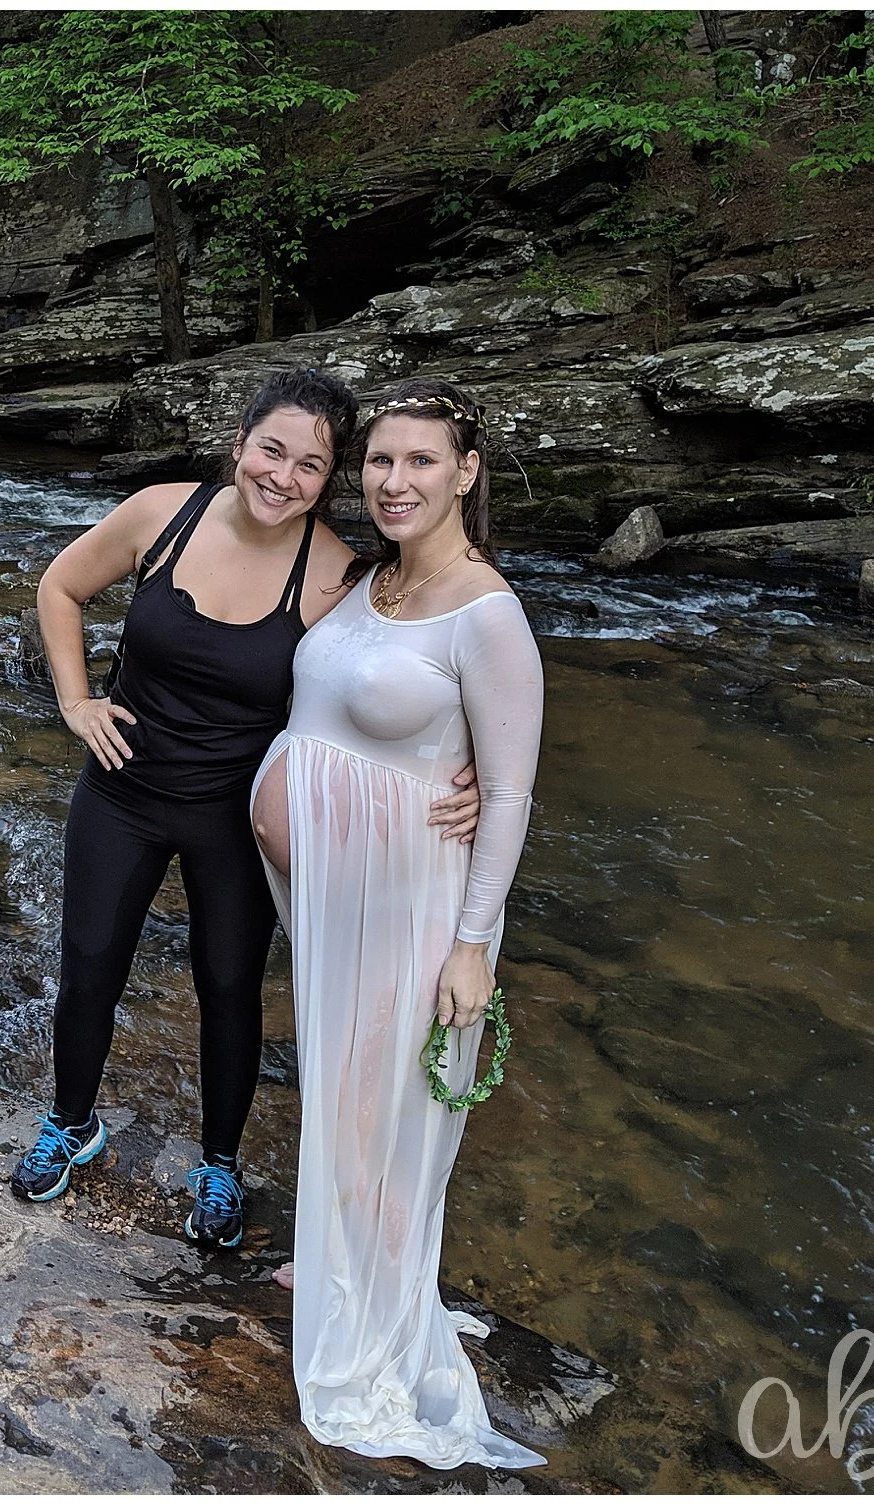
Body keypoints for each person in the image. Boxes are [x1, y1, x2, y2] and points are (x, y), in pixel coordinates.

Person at [10, 367, 482, 1246]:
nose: (283, 476)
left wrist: (476, 768)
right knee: (90, 965)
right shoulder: (161, 513)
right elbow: (60, 587)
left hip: (235, 815)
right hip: (122, 790)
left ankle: (218, 1166)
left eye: (310, 465)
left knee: (228, 987)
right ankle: (71, 1124)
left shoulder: (337, 574)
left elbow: (411, 670)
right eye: (272, 449)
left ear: (327, 479)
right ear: (239, 443)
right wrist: (76, 702)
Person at [250, 377, 547, 1469]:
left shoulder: (487, 612)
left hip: (415, 900)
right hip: (328, 893)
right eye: (377, 460)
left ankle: (375, 1303)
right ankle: (340, 1260)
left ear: (465, 470)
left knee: (389, 1100)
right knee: (342, 1085)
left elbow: (506, 793)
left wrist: (471, 943)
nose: (392, 480)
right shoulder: (370, 578)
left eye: (419, 461)